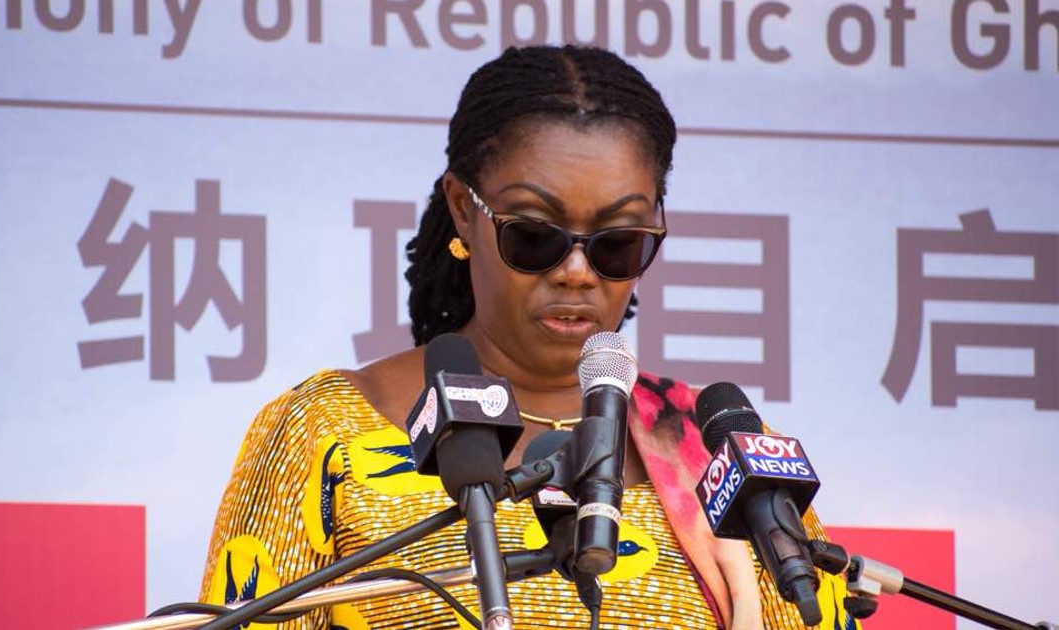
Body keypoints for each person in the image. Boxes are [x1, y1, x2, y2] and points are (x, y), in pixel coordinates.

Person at [200, 45, 857, 630]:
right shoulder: (326, 431)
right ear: (464, 208)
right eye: (536, 236)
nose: (576, 272)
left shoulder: (719, 458)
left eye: (617, 242)